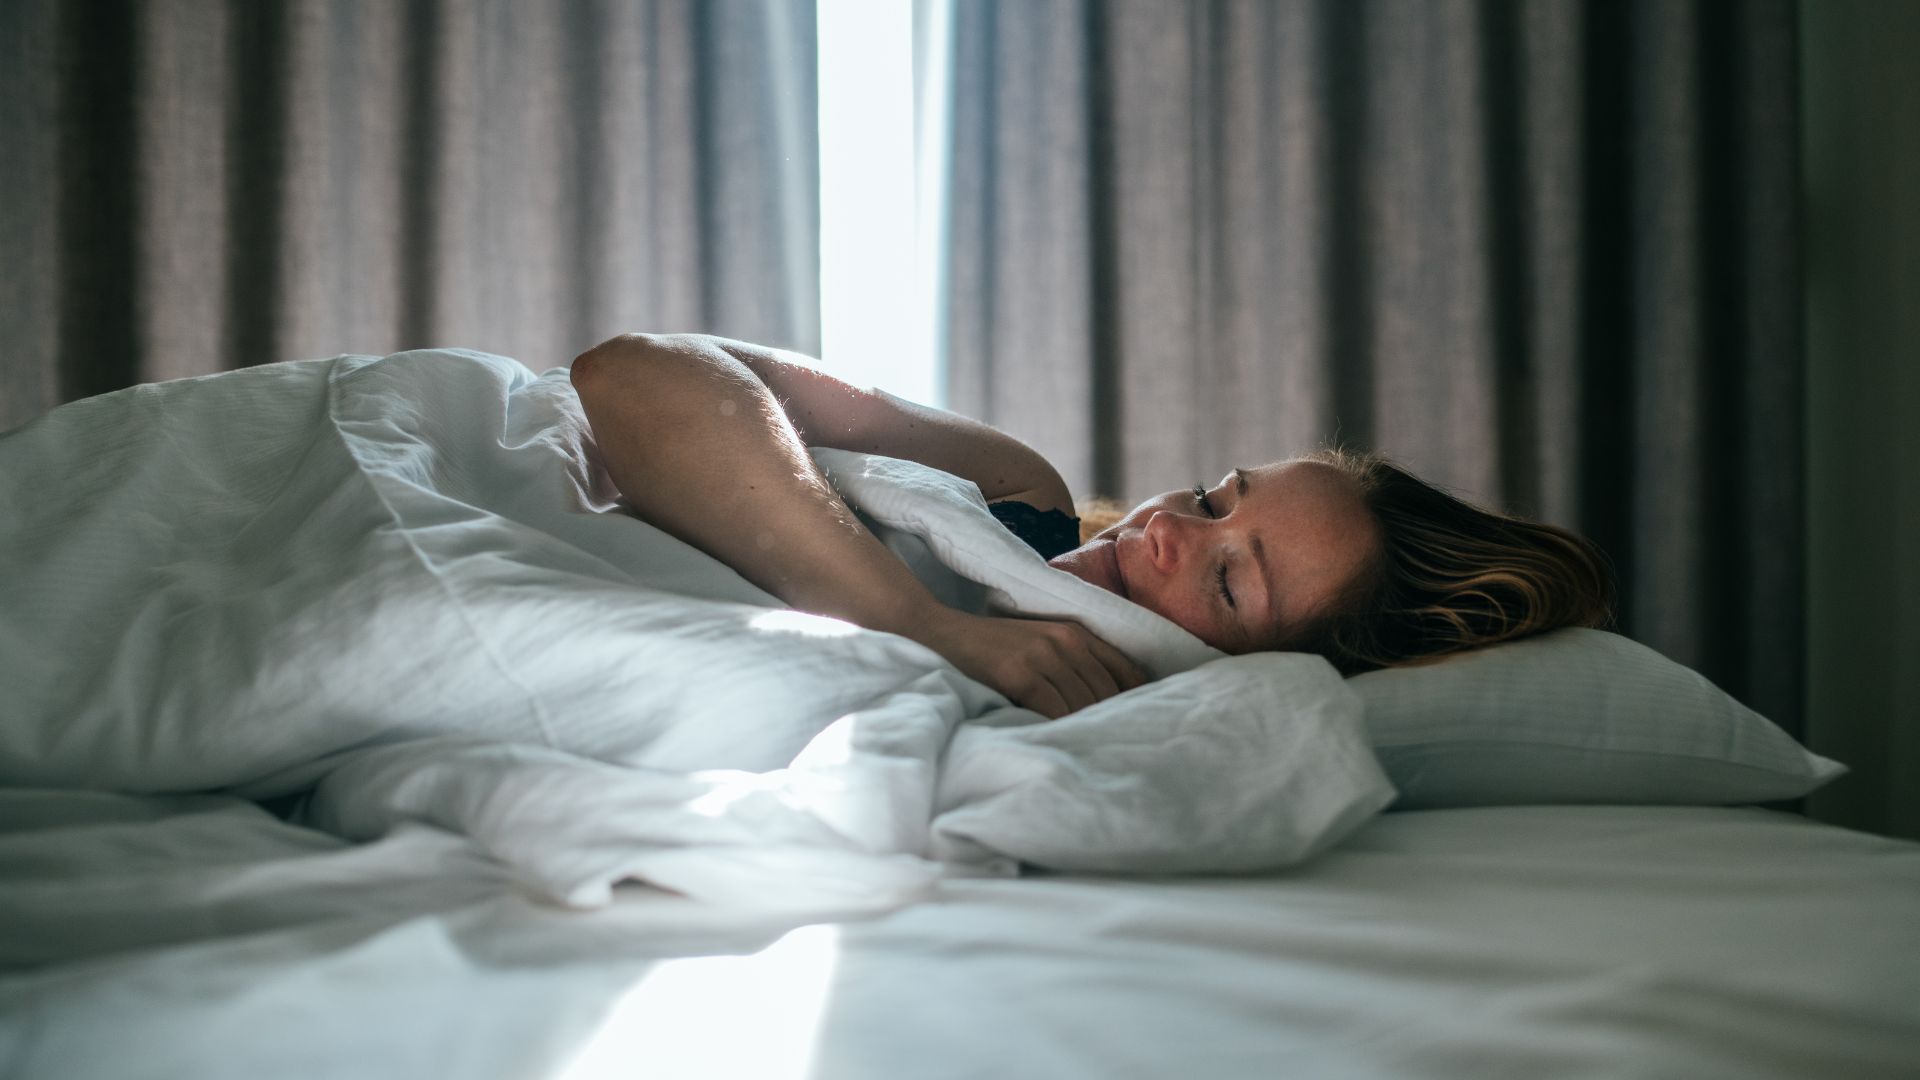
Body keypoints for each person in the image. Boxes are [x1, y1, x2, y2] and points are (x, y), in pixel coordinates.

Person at [569, 332, 1615, 721]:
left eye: (1223, 585)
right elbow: (635, 374)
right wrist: (928, 626)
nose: (1167, 529)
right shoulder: (1013, 494)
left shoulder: (1149, 724)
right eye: (1212, 502)